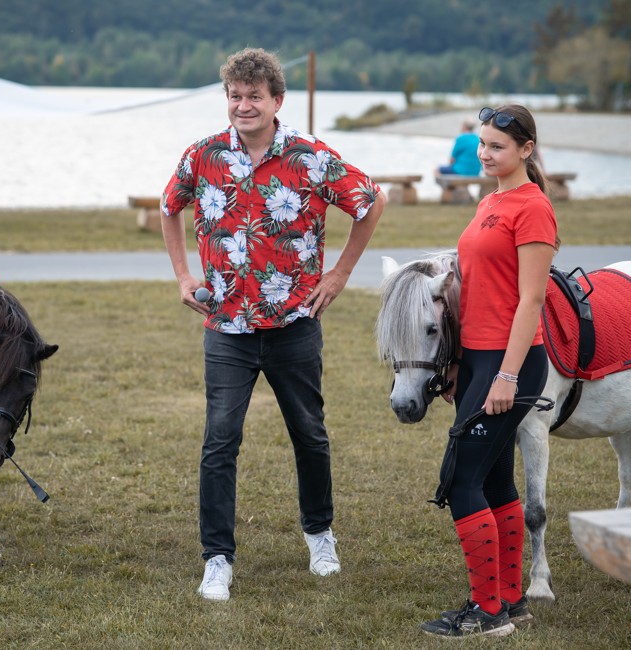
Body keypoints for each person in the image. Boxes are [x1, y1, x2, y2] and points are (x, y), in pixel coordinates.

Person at [160, 47, 386, 602]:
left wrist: (340, 273)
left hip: (294, 325)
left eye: (254, 97)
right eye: (235, 96)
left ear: (277, 100)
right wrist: (184, 276)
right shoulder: (203, 155)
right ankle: (217, 558)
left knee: (309, 434)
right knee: (220, 441)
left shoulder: (310, 156)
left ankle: (320, 535)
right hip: (226, 328)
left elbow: (371, 201)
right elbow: (170, 207)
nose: (244, 105)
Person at [420, 104, 557, 638]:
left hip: (510, 363)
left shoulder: (534, 208)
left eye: (497, 146)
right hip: (478, 360)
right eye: (482, 144)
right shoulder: (491, 200)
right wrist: (460, 363)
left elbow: (531, 301)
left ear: (526, 149)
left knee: (462, 481)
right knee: (495, 479)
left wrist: (506, 376)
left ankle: (487, 613)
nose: (484, 154)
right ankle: (510, 601)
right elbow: (476, 291)